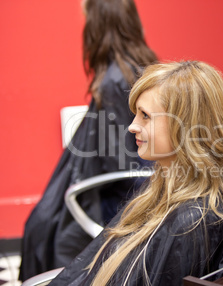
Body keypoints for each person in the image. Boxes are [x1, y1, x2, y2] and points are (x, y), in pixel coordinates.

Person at [48, 61, 223, 285]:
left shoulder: (193, 222)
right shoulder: (159, 188)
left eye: (145, 116)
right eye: (136, 114)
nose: (132, 126)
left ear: (186, 128)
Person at [19, 0, 158, 281]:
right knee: (43, 221)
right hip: (129, 182)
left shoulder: (115, 80)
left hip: (120, 192)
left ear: (97, 26)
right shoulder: (144, 66)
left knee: (43, 227)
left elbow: (119, 161)